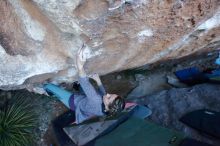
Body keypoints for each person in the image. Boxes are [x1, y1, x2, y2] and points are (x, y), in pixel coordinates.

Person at [44, 45, 125, 124]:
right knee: (83, 89)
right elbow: (104, 95)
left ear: (107, 108)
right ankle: (76, 86)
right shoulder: (107, 111)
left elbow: (85, 82)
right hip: (85, 104)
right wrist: (98, 82)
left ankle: (46, 90)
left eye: (109, 97)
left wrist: (80, 66)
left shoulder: (95, 99)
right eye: (111, 95)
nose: (107, 94)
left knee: (49, 86)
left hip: (73, 102)